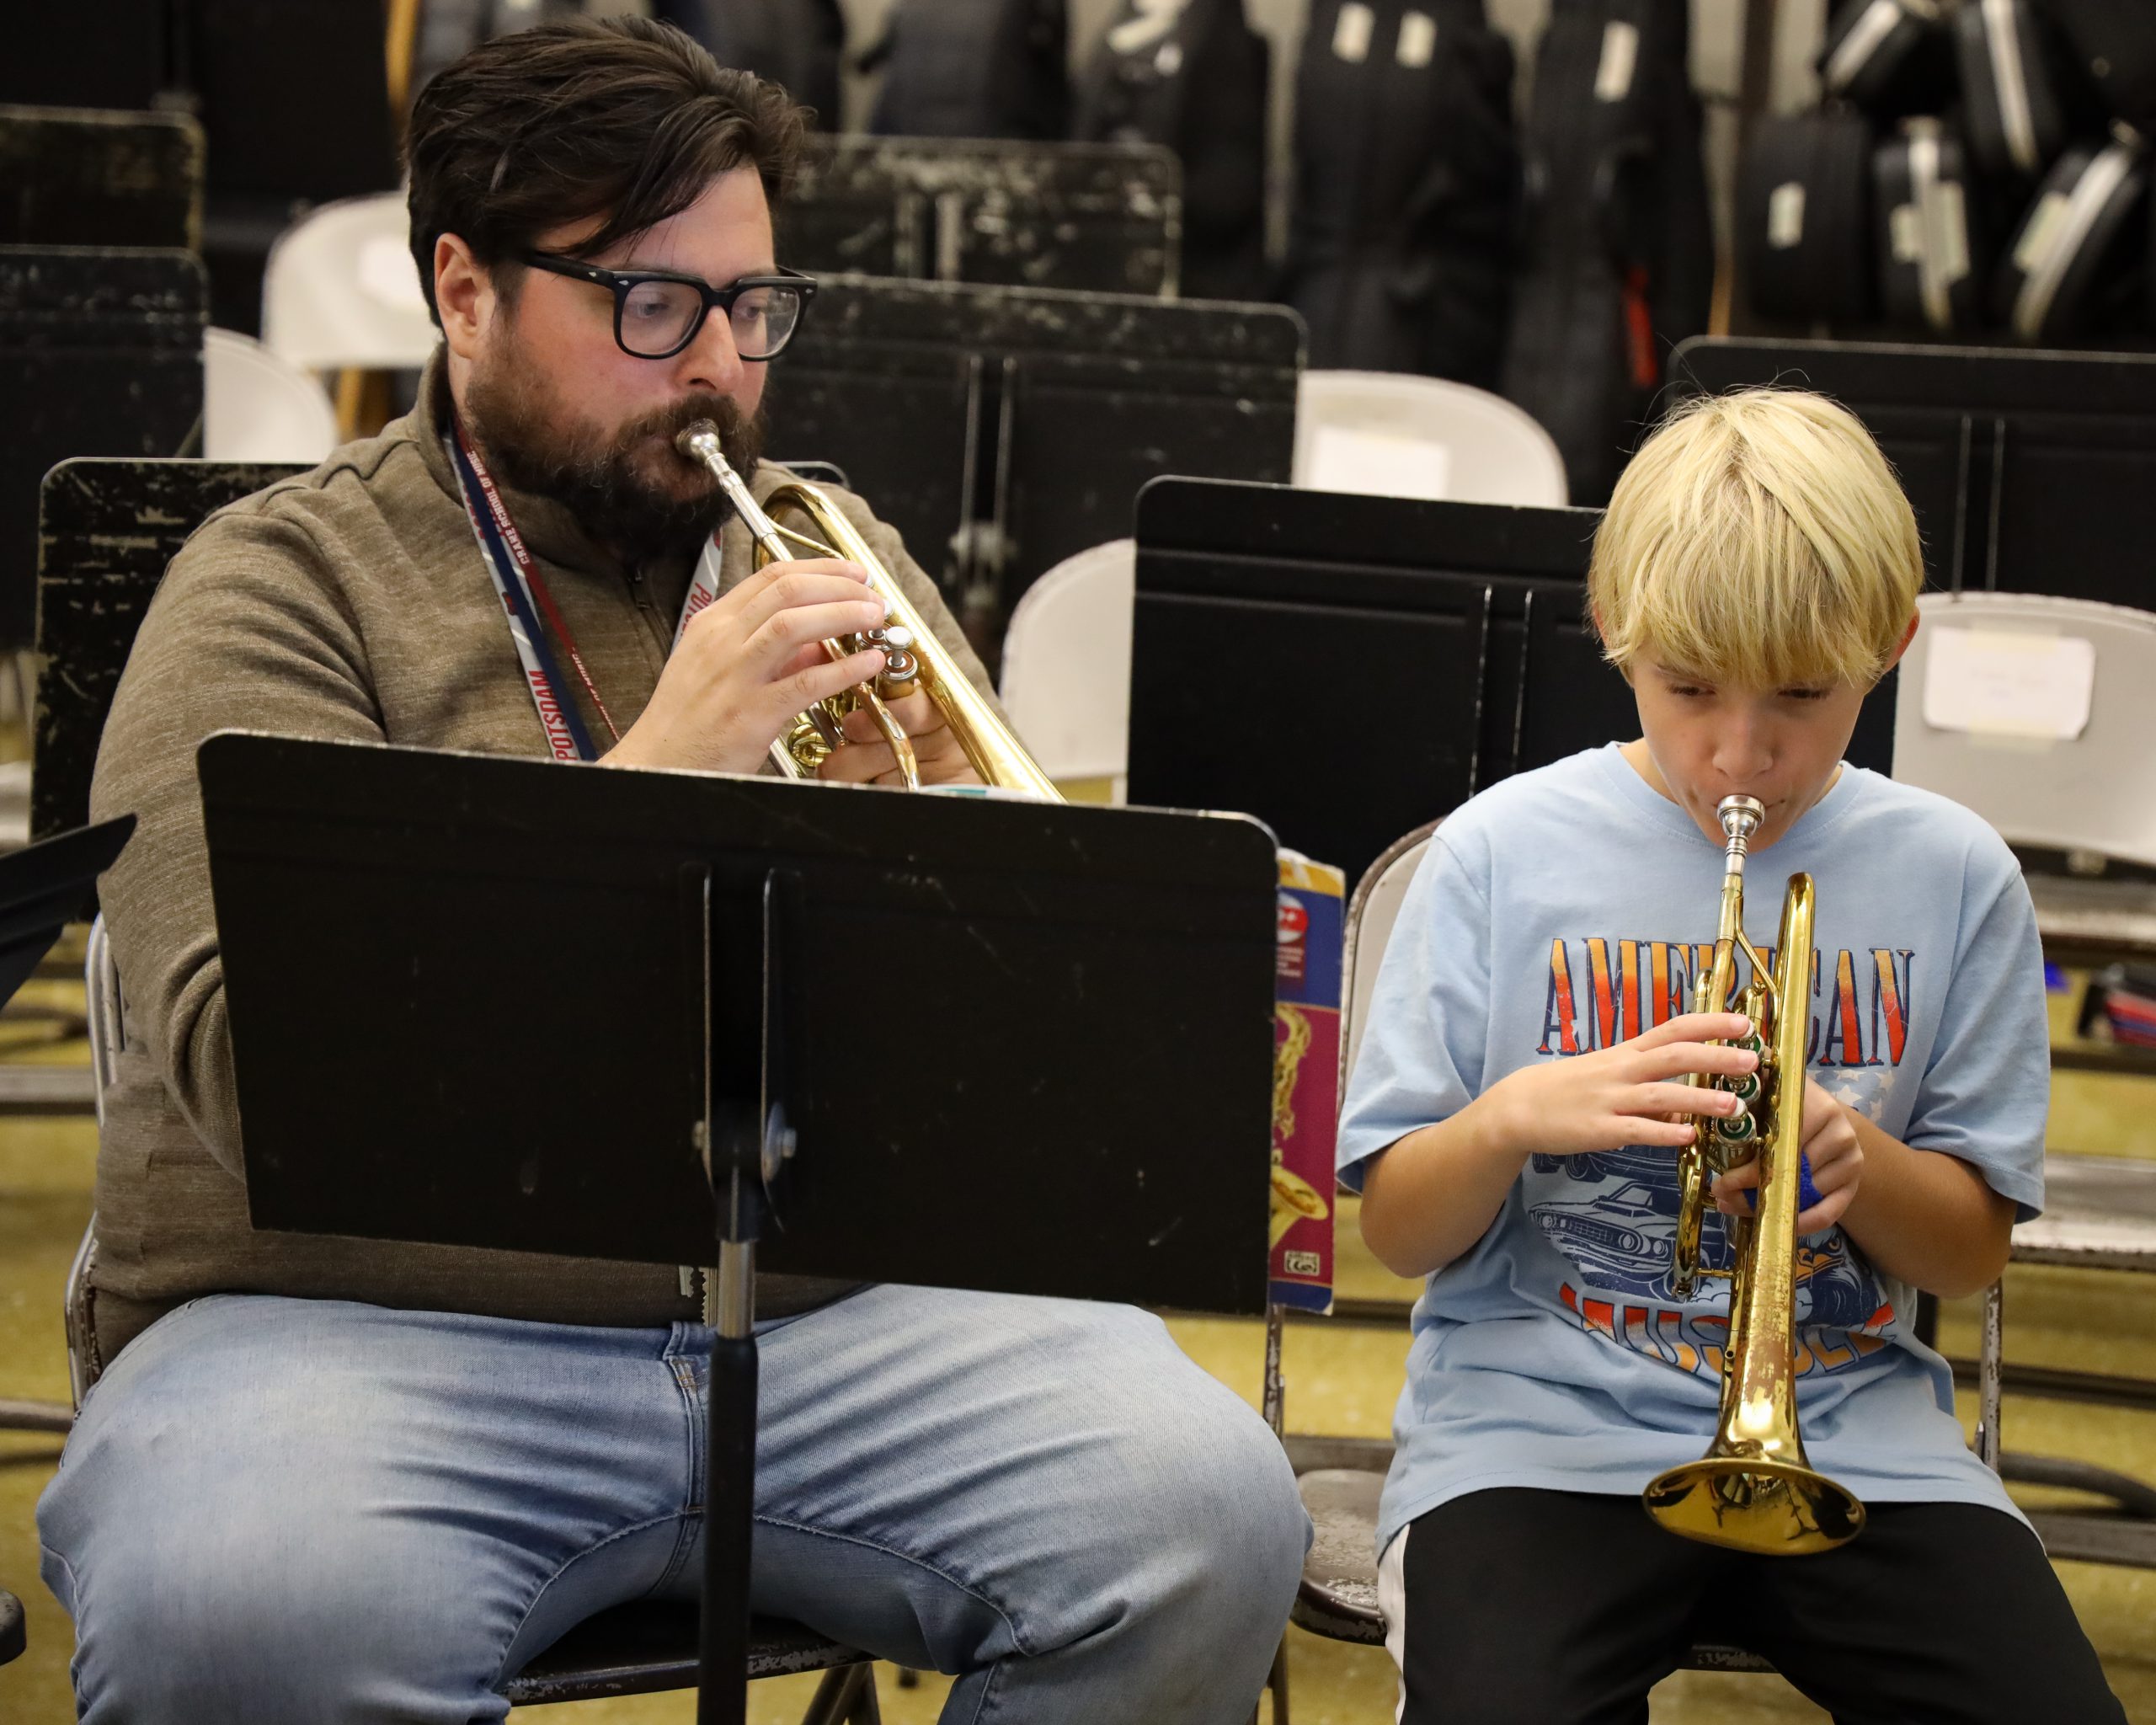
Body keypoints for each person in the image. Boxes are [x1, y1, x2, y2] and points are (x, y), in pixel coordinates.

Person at [37, 19, 1306, 1722]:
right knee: (235, 1618)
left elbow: (1021, 1068)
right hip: (350, 1327)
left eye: (749, 306)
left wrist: (953, 867)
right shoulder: (274, 584)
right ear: (464, 291)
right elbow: (245, 1070)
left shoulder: (831, 556)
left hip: (822, 1315)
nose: (716, 364)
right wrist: (654, 784)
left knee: (1209, 1521)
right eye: (649, 304)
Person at [1341, 389, 2125, 1723]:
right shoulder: (1498, 853)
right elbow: (1398, 1236)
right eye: (1689, 688)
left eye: (1803, 697)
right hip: (1532, 1436)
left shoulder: (1955, 875)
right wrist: (1514, 1118)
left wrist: (1853, 1159)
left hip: (1860, 1433)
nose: (1741, 750)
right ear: (1616, 636)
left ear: (1890, 647)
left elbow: (1969, 1255)